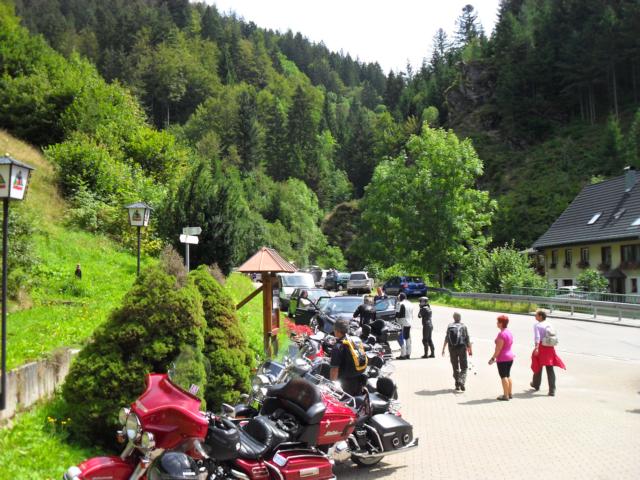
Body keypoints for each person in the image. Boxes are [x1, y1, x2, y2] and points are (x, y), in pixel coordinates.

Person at [530, 310, 565, 396]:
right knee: (550, 368)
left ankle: (536, 384)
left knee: (538, 365)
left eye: (536, 315)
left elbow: (537, 337)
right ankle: (552, 390)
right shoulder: (549, 324)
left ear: (540, 316)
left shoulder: (537, 325)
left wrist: (536, 348)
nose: (535, 316)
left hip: (541, 346)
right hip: (549, 347)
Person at [330, 318, 368, 396]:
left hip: (345, 384)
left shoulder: (338, 347)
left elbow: (334, 370)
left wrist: (331, 387)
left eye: (334, 329)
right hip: (358, 379)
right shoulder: (354, 340)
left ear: (337, 331)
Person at [442, 312, 472, 391]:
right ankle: (461, 380)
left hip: (452, 348)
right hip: (462, 348)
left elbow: (447, 338)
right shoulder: (463, 326)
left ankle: (457, 385)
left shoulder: (450, 326)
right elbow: (467, 338)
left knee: (455, 367)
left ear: (453, 318)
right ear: (460, 318)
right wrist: (470, 349)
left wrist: (443, 348)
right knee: (464, 367)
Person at [488, 315, 514, 401]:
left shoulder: (501, 334)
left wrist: (493, 358)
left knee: (503, 376)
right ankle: (510, 393)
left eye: (498, 322)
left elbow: (498, 349)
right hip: (510, 357)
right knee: (508, 375)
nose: (497, 323)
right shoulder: (509, 332)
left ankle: (505, 396)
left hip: (503, 358)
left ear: (501, 323)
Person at [395, 292, 414, 359]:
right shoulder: (410, 303)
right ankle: (408, 353)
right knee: (408, 337)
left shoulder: (399, 303)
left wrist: (395, 321)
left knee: (401, 338)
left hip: (402, 322)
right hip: (410, 322)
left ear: (400, 298)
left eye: (398, 297)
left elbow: (397, 314)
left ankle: (403, 354)